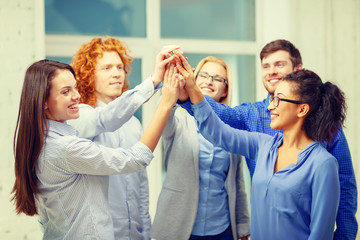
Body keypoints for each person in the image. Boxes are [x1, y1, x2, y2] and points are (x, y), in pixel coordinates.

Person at [177, 39, 358, 239]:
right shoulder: (262, 144)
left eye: (279, 64)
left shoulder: (323, 162)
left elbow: (340, 197)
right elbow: (217, 130)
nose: (270, 106)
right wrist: (191, 91)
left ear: (302, 108)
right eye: (266, 66)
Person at [11, 59, 180, 239]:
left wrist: (154, 80)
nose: (76, 95)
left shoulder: (41, 142)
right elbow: (136, 158)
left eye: (75, 87)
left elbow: (45, 219)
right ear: (43, 101)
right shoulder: (66, 147)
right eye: (66, 91)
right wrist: (165, 105)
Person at [67, 37, 179, 240]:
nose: (117, 73)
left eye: (119, 67)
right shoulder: (80, 118)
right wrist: (154, 80)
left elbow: (140, 185)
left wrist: (145, 232)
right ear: (88, 75)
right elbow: (107, 117)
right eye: (107, 68)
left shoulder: (134, 125)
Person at [150, 56, 250, 240]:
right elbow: (162, 120)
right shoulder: (179, 118)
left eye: (218, 78)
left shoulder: (232, 127)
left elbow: (238, 183)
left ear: (225, 89)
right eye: (203, 75)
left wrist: (243, 226)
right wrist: (175, 93)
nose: (209, 81)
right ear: (194, 80)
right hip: (179, 228)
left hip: (222, 229)